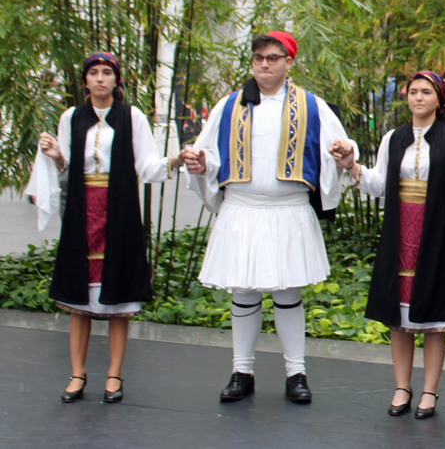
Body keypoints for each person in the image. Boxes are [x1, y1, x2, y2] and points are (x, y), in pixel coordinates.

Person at [183, 32, 357, 404]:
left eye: (273, 58)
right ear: (253, 61)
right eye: (259, 58)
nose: (265, 64)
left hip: (288, 211)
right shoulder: (229, 105)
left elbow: (339, 150)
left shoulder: (312, 106)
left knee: (287, 291)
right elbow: (209, 154)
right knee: (243, 292)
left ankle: (296, 374)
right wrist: (200, 164)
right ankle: (241, 371)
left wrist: (344, 152)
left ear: (288, 61)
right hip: (243, 209)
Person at [334, 70, 445, 419]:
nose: (419, 98)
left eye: (426, 92)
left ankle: (429, 391)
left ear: (440, 99)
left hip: (436, 232)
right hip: (399, 232)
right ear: (406, 97)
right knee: (400, 315)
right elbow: (378, 184)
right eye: (413, 92)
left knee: (433, 317)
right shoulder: (392, 138)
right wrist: (350, 165)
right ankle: (401, 387)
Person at [37, 52, 182, 403]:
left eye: (107, 73)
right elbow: (68, 168)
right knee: (78, 295)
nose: (100, 78)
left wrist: (174, 161)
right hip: (82, 211)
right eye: (93, 73)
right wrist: (56, 155)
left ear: (117, 80)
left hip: (119, 210)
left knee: (118, 298)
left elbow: (146, 166)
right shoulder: (71, 117)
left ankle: (114, 375)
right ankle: (77, 374)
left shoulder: (132, 117)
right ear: (85, 80)